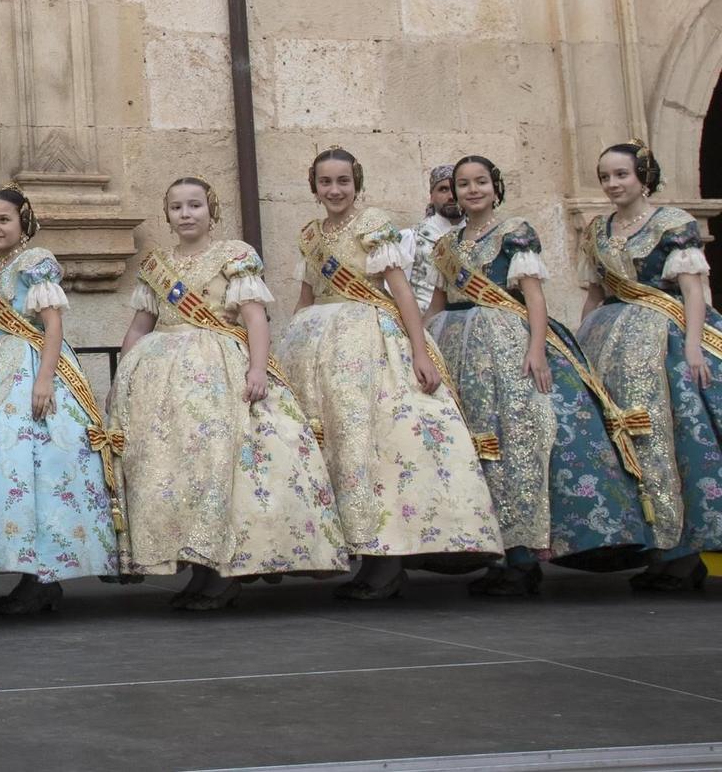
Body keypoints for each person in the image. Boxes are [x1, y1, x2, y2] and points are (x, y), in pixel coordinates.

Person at [110, 178, 346, 610]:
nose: (186, 214)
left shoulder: (234, 256)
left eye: (195, 205)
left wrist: (258, 368)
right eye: (177, 207)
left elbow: (256, 319)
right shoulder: (156, 264)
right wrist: (123, 375)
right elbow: (140, 327)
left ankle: (224, 572)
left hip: (219, 371)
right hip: (161, 381)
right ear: (167, 214)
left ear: (211, 210)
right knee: (175, 472)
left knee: (217, 468)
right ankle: (199, 569)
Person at [276, 147, 499, 601]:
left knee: (375, 450)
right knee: (335, 449)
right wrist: (286, 353)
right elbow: (305, 295)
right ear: (313, 186)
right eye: (325, 182)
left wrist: (421, 351)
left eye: (343, 181)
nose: (334, 190)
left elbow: (399, 292)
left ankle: (389, 563)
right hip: (316, 345)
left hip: (370, 345)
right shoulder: (310, 235)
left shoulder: (374, 226)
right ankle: (362, 556)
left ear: (357, 183)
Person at [426, 155, 651, 596]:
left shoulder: (515, 233)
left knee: (518, 445)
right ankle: (494, 551)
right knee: (474, 448)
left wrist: (537, 349)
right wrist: (422, 347)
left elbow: (533, 297)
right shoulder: (446, 245)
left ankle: (524, 557)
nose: (473, 190)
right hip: (455, 346)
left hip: (507, 345)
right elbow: (437, 301)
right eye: (464, 184)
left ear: (496, 187)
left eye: (481, 182)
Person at [0, 189, 118, 614]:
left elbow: (52, 324)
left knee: (30, 466)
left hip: (28, 366)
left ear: (23, 223)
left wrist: (44, 380)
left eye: (3, 220)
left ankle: (40, 577)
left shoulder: (36, 262)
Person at [574, 141, 722, 592]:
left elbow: (693, 290)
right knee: (626, 442)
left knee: (670, 438)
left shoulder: (673, 223)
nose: (613, 184)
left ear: (643, 175)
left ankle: (682, 554)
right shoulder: (598, 229)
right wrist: (580, 348)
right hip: (609, 339)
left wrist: (694, 348)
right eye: (605, 176)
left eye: (621, 174)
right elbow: (595, 294)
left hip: (666, 341)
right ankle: (656, 548)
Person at [408, 164, 460, 311]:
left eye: (456, 188)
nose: (451, 196)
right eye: (443, 189)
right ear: (431, 196)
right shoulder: (412, 237)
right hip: (425, 325)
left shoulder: (479, 236)